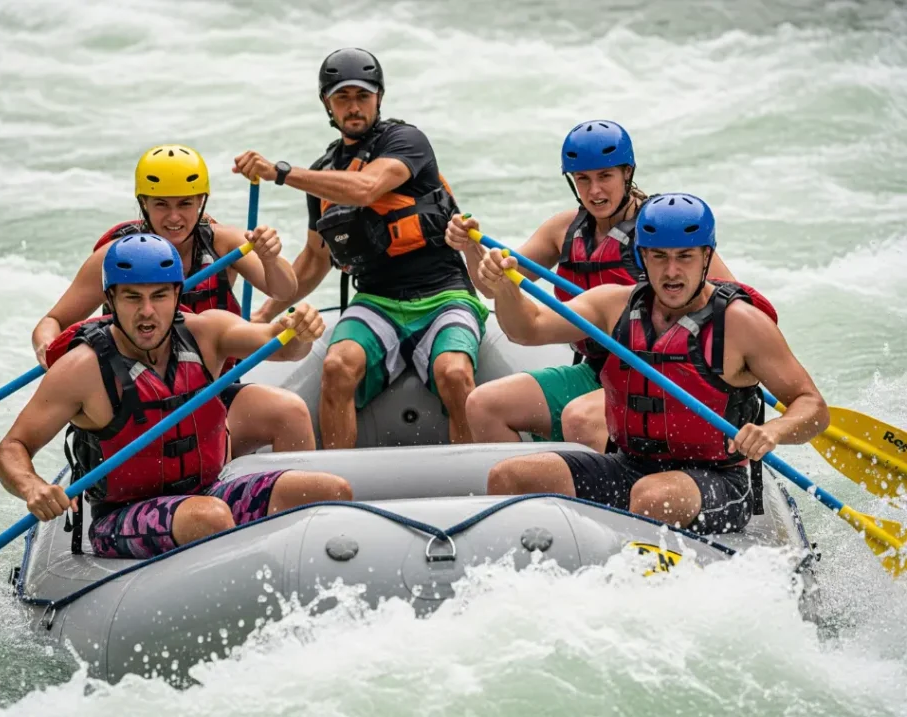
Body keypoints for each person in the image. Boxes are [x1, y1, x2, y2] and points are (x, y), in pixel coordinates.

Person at [476, 194, 828, 534]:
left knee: (652, 497)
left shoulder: (740, 324)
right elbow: (527, 329)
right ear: (642, 256)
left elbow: (812, 406)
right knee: (507, 476)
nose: (671, 271)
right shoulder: (614, 305)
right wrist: (505, 290)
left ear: (707, 257)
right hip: (631, 466)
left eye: (685, 257)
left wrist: (774, 431)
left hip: (716, 479)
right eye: (659, 256)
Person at [0, 234, 353, 559]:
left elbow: (284, 348)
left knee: (331, 489)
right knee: (210, 518)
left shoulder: (207, 332)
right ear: (111, 300)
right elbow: (11, 448)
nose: (147, 311)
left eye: (160, 296)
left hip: (210, 492)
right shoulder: (82, 370)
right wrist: (33, 487)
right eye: (133, 297)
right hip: (122, 517)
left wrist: (299, 331)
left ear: (177, 295)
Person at [232, 48, 487, 448]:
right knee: (336, 367)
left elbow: (367, 188)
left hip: (444, 294)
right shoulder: (322, 173)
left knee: (454, 373)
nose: (354, 107)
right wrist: (262, 316)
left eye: (362, 96)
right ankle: (336, 487)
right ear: (327, 105)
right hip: (375, 301)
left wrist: (280, 173)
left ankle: (477, 482)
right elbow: (315, 260)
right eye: (342, 98)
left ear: (379, 98)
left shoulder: (406, 141)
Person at [446, 120, 738, 451]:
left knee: (580, 418)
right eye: (582, 179)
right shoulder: (563, 229)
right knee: (483, 405)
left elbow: (733, 302)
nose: (594, 191)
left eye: (605, 176)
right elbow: (491, 288)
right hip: (597, 372)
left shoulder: (660, 228)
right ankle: (531, 495)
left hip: (659, 378)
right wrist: (470, 248)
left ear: (627, 173)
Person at [31, 144, 313, 456]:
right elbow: (53, 321)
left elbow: (284, 292)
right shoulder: (113, 259)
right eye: (162, 204)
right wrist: (49, 347)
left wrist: (271, 259)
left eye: (185, 204)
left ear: (201, 203)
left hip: (208, 390)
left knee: (291, 413)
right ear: (144, 204)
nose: (174, 217)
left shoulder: (223, 243)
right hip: (131, 406)